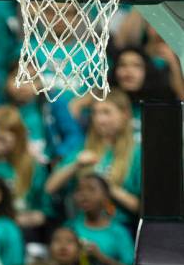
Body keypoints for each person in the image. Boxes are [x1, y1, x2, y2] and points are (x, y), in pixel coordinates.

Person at [46, 89, 141, 226]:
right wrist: (76, 165)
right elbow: (50, 187)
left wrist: (107, 187)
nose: (99, 119)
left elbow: (139, 207)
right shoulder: (83, 148)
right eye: (95, 113)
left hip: (120, 226)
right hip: (82, 226)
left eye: (106, 112)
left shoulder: (137, 153)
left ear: (125, 114)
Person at [0, 105, 51, 232]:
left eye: (8, 130)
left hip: (23, 229)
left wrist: (14, 223)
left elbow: (44, 212)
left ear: (19, 136)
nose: (0, 134)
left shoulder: (34, 167)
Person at [68, 174, 135, 265]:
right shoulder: (70, 227)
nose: (84, 195)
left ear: (106, 197)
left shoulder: (118, 232)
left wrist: (101, 257)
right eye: (79, 190)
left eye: (91, 189)